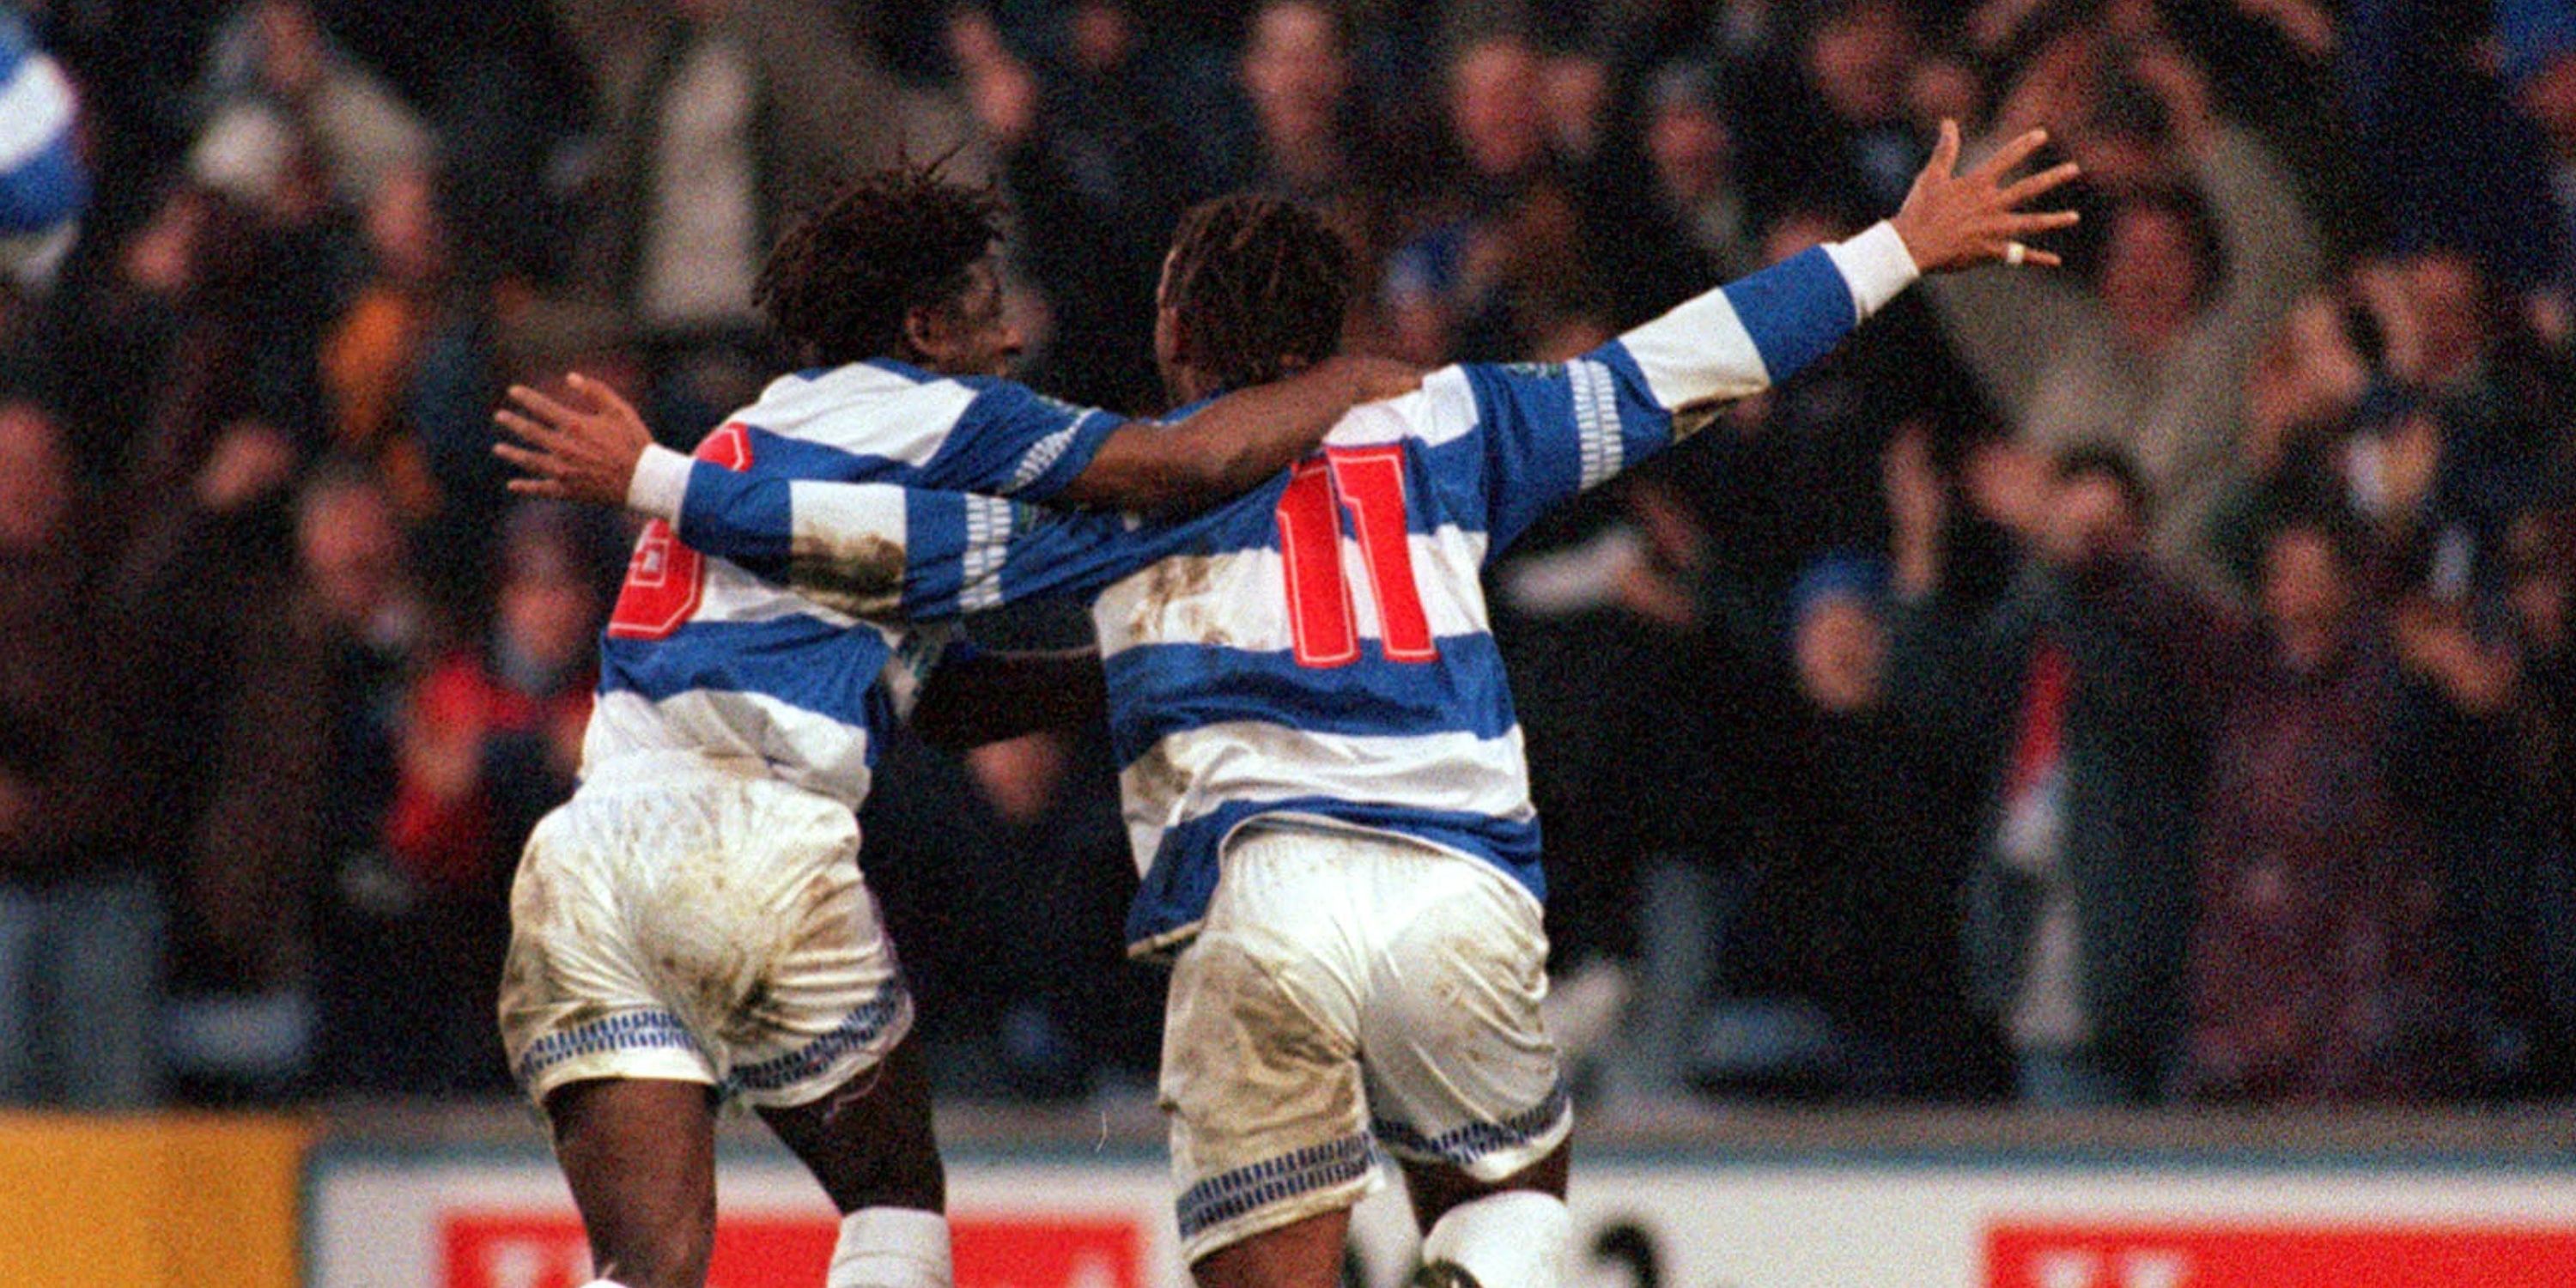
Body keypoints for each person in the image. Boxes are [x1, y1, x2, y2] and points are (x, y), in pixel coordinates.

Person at [506, 122, 2076, 1287]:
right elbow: (1686, 362)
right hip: (1455, 887)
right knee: (1515, 1198)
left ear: (1183, 339)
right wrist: (1897, 247)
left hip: (1250, 908)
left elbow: (949, 639)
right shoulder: (1456, 422)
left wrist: (673, 487)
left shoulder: (1121, 494)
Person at [484, 161, 1418, 1288]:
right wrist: (1363, 380)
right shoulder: (936, 415)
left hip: (592, 855)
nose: (1014, 338)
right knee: (894, 1204)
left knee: (648, 1261)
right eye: (988, 309)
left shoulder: (758, 429)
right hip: (750, 842)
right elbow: (1187, 461)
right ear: (924, 329)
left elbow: (947, 701)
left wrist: (1146, 667)